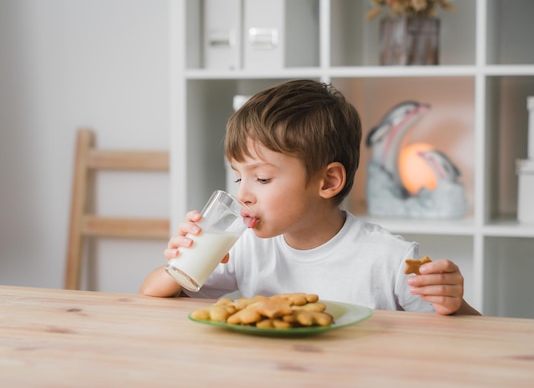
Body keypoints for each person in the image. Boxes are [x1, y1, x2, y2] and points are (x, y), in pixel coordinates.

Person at [140, 79, 480, 316]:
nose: (242, 194)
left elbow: (469, 334)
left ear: (329, 181)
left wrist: (451, 302)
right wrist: (181, 263)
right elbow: (151, 296)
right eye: (238, 177)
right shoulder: (244, 248)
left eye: (261, 178)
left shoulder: (389, 260)